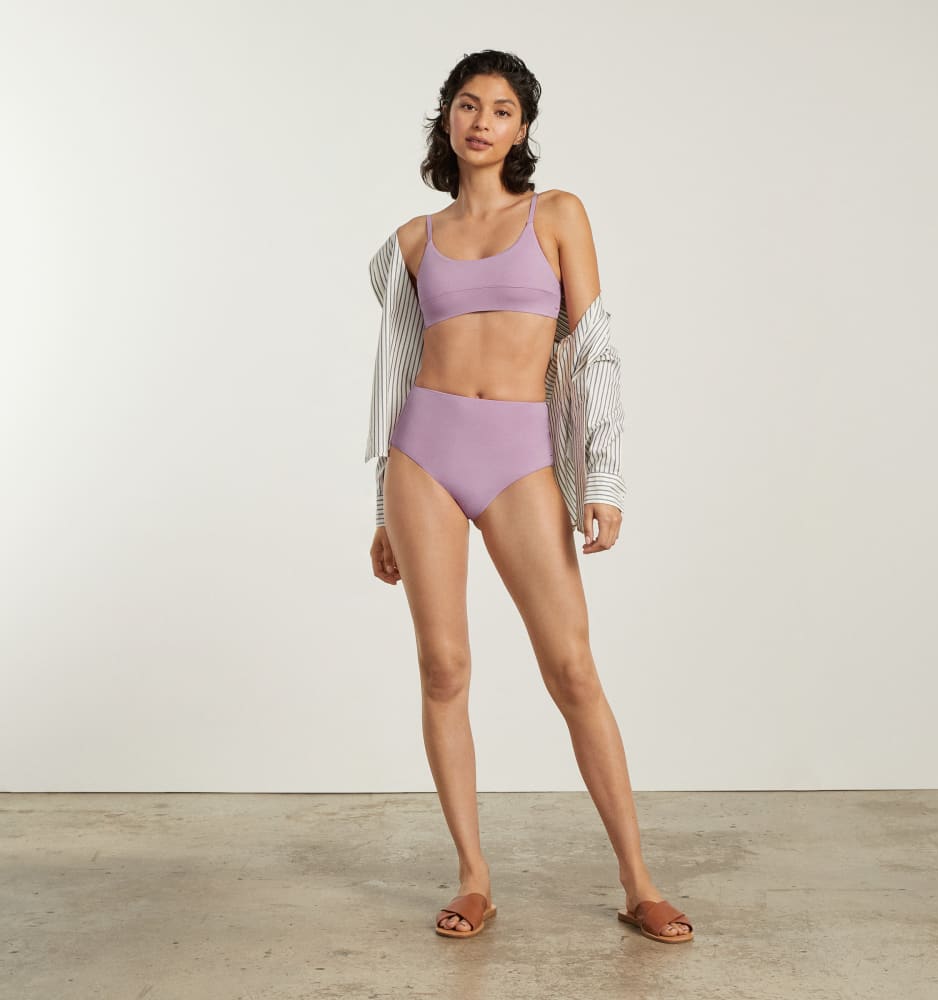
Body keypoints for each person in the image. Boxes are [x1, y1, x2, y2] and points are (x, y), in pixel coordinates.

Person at [364, 49, 694, 945]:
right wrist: (382, 509)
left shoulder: (557, 215)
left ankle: (638, 882)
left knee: (572, 669)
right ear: (446, 118)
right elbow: (393, 375)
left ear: (522, 129)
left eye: (502, 110)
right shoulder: (410, 243)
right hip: (422, 457)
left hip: (519, 459)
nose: (483, 122)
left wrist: (604, 477)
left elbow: (593, 350)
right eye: (468, 105)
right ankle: (474, 877)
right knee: (444, 668)